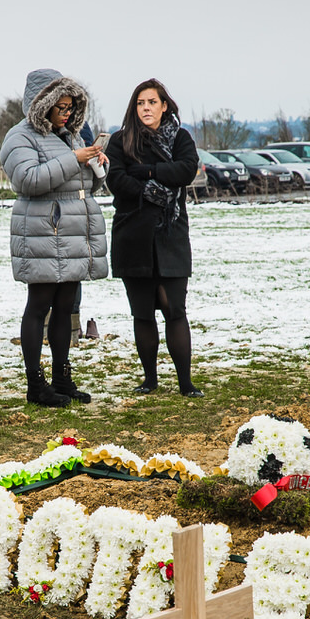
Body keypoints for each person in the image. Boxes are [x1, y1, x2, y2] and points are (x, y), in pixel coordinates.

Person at [0, 69, 109, 407]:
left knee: (66, 308)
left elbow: (79, 183)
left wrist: (96, 165)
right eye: (60, 106)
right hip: (43, 230)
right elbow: (28, 180)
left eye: (69, 106)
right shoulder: (19, 137)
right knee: (39, 306)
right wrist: (73, 159)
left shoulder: (69, 135)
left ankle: (62, 378)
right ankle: (36, 384)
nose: (66, 112)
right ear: (42, 103)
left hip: (72, 231)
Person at [105, 79, 203, 397]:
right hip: (132, 236)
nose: (146, 108)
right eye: (140, 103)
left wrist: (146, 171)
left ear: (164, 106)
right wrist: (151, 189)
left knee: (175, 308)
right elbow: (117, 179)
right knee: (142, 312)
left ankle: (186, 384)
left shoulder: (180, 137)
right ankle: (150, 380)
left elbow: (186, 170)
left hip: (171, 234)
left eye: (152, 102)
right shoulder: (121, 140)